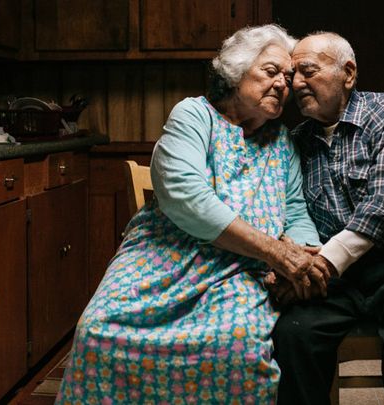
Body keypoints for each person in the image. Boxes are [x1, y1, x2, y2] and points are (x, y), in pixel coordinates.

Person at [56, 24, 327, 405]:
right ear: (236, 71)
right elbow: (187, 197)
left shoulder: (281, 140)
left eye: (287, 76)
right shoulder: (194, 115)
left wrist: (302, 254)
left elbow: (296, 211)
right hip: (162, 256)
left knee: (238, 346)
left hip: (240, 270)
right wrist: (276, 252)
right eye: (271, 72)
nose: (283, 84)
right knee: (97, 330)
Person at [270, 32, 384, 405]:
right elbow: (291, 212)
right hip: (339, 275)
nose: (296, 83)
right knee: (293, 339)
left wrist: (324, 261)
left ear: (349, 73)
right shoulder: (296, 140)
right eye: (293, 75)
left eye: (307, 70)